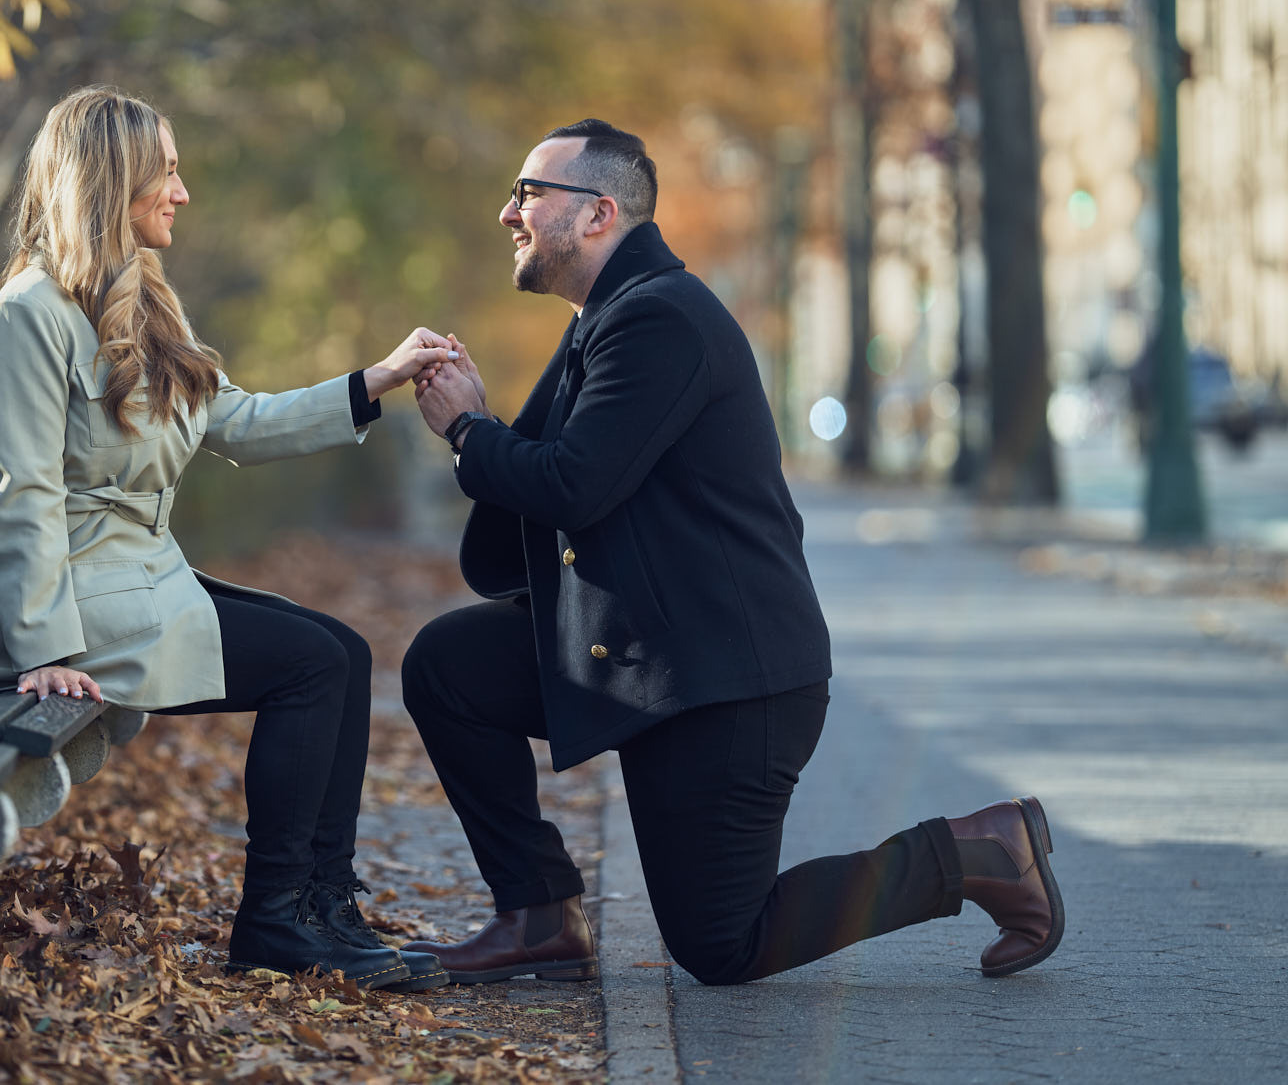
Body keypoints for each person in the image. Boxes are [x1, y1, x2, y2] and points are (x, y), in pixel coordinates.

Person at [398, 118, 1065, 986]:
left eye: (528, 194)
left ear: (598, 214)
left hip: (726, 684)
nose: (507, 213)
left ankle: (978, 852)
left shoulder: (660, 321)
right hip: (648, 655)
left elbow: (574, 485)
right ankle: (538, 915)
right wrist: (481, 431)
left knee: (722, 945)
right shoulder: (609, 315)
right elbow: (553, 483)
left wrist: (468, 431)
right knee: (448, 665)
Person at [0, 85, 455, 991]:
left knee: (336, 648)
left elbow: (239, 422)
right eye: (164, 173)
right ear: (109, 184)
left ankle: (321, 909)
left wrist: (377, 380)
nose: (181, 192)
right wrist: (46, 648)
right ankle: (277, 921)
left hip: (129, 577)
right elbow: (17, 492)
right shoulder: (26, 318)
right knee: (314, 666)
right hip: (61, 600)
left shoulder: (137, 304)